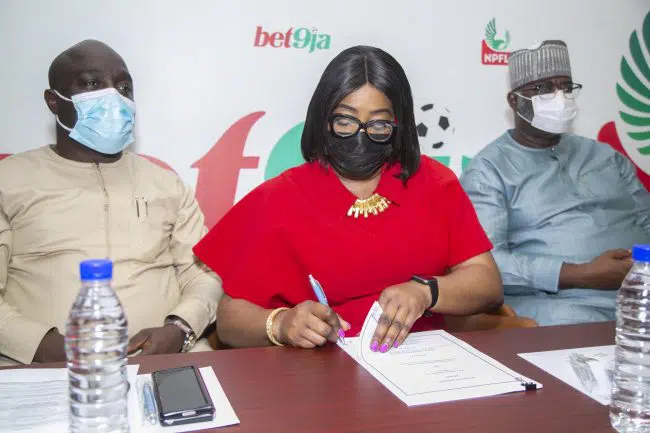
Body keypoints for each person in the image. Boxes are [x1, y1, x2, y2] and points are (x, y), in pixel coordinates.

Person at [193, 46, 503, 352]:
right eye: (345, 121)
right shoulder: (278, 199)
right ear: (322, 120)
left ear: (399, 126)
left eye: (379, 125)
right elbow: (229, 322)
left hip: (422, 362)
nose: (360, 135)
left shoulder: (434, 183)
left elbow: (487, 283)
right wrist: (282, 324)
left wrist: (427, 292)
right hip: (318, 369)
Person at [0, 40, 222, 366]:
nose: (113, 97)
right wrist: (42, 345)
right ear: (54, 101)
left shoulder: (166, 185)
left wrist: (179, 329)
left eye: (123, 88)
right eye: (92, 84)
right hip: (38, 368)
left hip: (166, 362)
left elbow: (204, 275)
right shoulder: (8, 181)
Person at [460, 40, 650, 326]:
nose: (560, 98)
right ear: (514, 101)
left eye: (566, 87)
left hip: (640, 294)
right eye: (545, 89)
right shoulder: (490, 170)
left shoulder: (606, 156)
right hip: (562, 305)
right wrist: (580, 274)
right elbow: (486, 264)